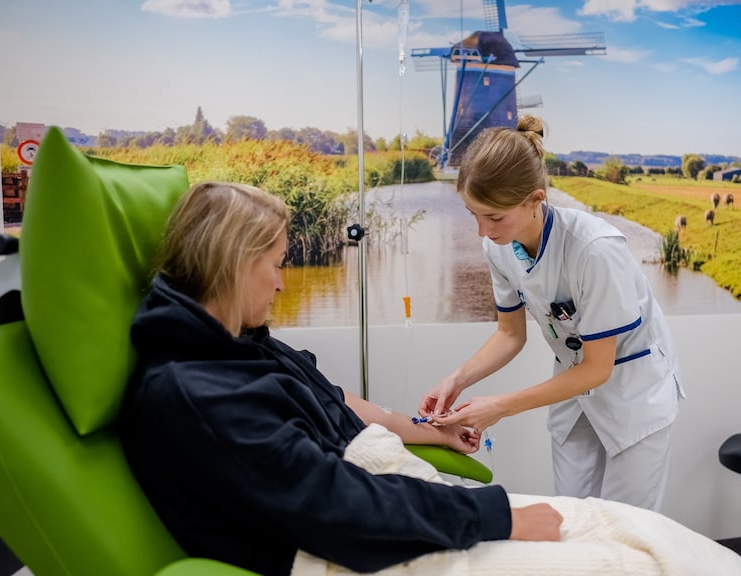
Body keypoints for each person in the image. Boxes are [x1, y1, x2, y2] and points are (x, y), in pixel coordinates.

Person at [119, 181, 562, 576]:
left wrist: (430, 433)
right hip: (338, 550)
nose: (281, 285)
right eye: (276, 265)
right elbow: (338, 507)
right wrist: (499, 517)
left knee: (613, 527)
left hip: (379, 503)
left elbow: (330, 397)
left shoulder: (239, 343)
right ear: (234, 264)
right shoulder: (200, 396)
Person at [419, 116, 686, 511]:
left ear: (536, 200)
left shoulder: (595, 250)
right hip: (572, 386)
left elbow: (599, 368)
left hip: (633, 390)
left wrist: (500, 407)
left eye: (494, 216)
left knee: (625, 527)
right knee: (571, 516)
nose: (482, 230)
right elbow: (510, 335)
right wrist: (456, 380)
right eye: (473, 214)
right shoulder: (498, 245)